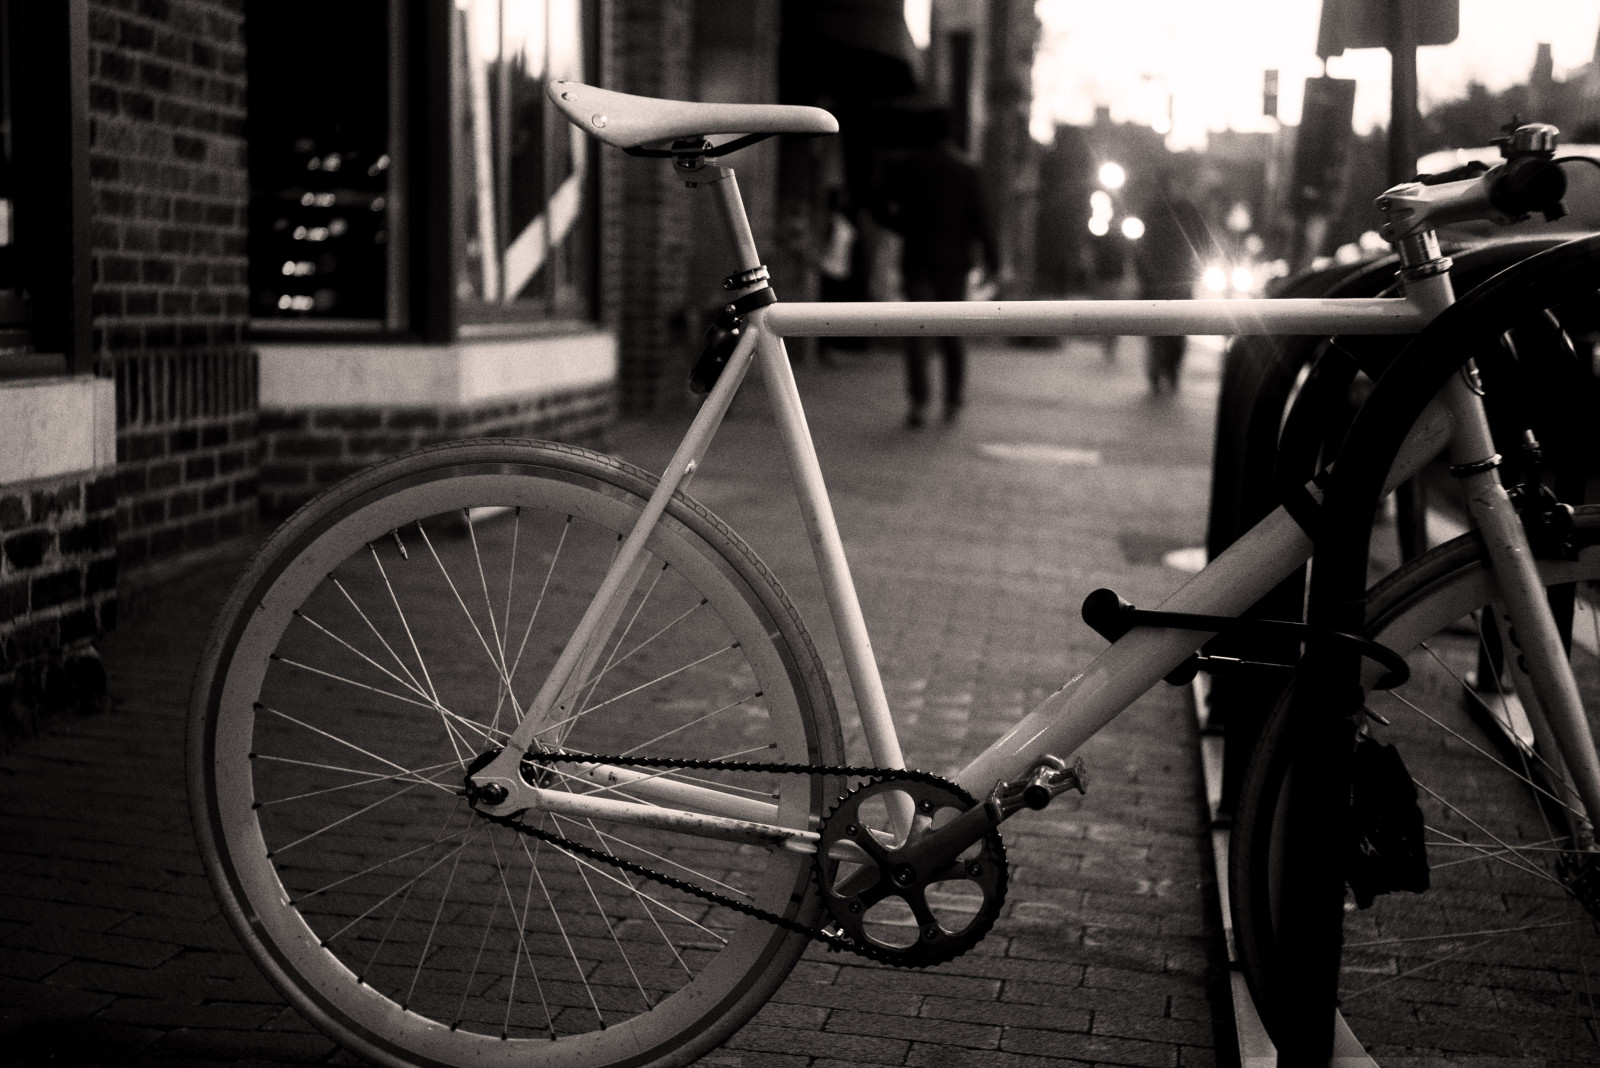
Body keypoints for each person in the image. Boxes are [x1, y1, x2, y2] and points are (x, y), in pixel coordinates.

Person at [874, 109, 998, 428]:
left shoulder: (906, 166)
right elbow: (982, 219)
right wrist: (992, 260)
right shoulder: (966, 169)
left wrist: (903, 226)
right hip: (954, 263)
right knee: (951, 332)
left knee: (917, 331)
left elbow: (878, 205)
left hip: (918, 260)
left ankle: (919, 402)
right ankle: (953, 401)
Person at [1133, 175, 1207, 395]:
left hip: (1173, 283)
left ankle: (1168, 370)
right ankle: (1160, 372)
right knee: (1162, 333)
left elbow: (1200, 242)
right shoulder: (1157, 211)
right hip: (1160, 283)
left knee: (1173, 334)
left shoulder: (1184, 211)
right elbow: (1141, 248)